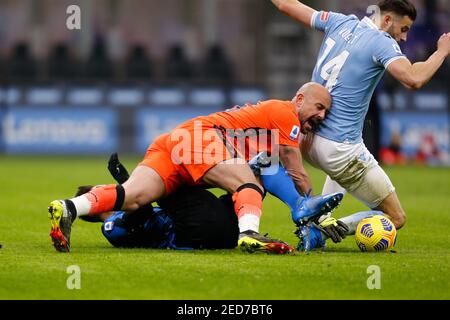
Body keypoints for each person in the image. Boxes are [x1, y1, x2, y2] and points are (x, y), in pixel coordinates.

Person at [48, 82, 339, 254]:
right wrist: (310, 207)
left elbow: (273, 164)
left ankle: (70, 208)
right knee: (247, 183)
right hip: (200, 136)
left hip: (172, 142)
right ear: (299, 99)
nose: (322, 115)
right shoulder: (285, 112)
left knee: (133, 196)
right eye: (319, 106)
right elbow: (294, 166)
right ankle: (249, 233)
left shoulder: (262, 134)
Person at [271, 0, 450, 249]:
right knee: (396, 217)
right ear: (387, 21)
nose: (404, 38)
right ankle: (319, 233)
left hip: (306, 138)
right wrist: (442, 51)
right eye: (404, 29)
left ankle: (312, 218)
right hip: (340, 149)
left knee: (334, 168)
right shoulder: (381, 42)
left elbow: (285, 5)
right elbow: (413, 78)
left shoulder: (339, 21)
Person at [80, 153, 345, 252]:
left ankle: (301, 211)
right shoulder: (110, 227)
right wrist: (128, 181)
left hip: (223, 233)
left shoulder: (115, 221)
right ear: (97, 209)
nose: (111, 190)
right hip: (191, 234)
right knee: (166, 176)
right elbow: (140, 212)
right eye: (100, 193)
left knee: (259, 168)